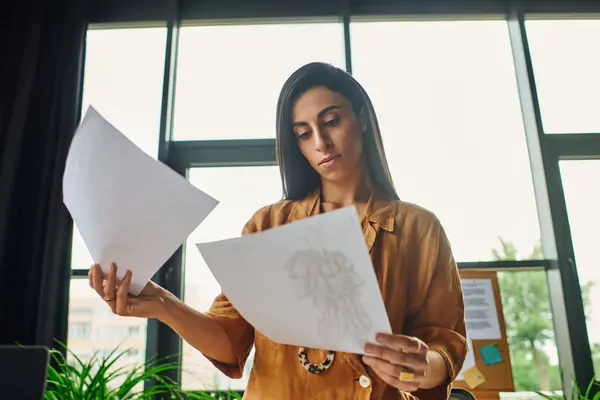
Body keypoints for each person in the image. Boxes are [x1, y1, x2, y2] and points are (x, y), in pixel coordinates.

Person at [89, 62, 467, 399]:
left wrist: (419, 365)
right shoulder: (268, 225)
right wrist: (161, 303)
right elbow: (230, 341)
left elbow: (444, 344)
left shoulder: (420, 229)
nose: (321, 143)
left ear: (363, 118)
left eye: (331, 121)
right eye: (304, 133)